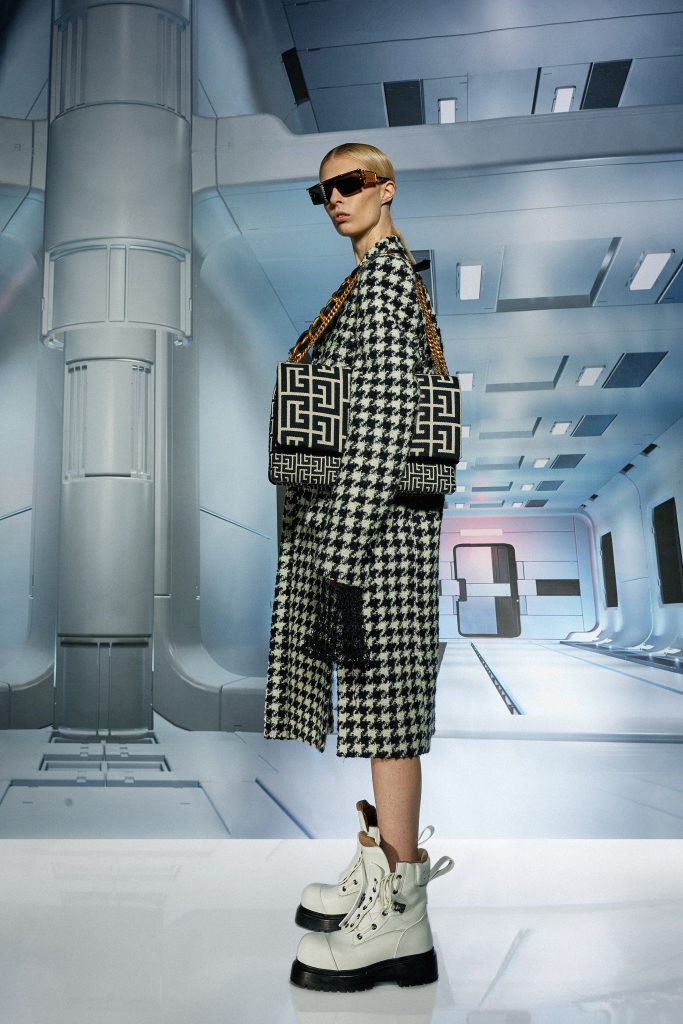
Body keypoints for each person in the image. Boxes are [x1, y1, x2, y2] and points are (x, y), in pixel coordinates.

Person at [264, 142, 454, 991]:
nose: (335, 199)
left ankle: (400, 917)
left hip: (374, 540)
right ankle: (383, 871)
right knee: (383, 713)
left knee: (389, 717)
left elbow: (381, 424)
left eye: (349, 185)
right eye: (324, 192)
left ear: (385, 189)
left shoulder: (382, 282)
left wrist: (339, 556)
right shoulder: (371, 280)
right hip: (374, 532)